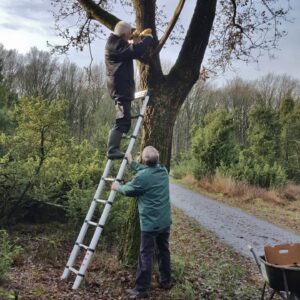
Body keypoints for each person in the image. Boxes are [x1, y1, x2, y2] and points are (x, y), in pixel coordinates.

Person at [111, 146, 172, 297]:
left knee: (146, 255)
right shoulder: (163, 172)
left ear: (144, 160)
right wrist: (131, 163)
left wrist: (117, 186)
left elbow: (128, 190)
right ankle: (166, 281)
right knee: (164, 252)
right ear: (156, 160)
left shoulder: (142, 177)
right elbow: (144, 172)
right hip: (164, 222)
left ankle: (141, 289)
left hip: (150, 225)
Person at [105, 21, 153, 159]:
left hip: (121, 86)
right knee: (123, 121)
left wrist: (139, 40)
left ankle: (113, 149)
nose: (130, 37)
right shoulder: (115, 44)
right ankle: (112, 150)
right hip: (120, 87)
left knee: (124, 120)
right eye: (129, 35)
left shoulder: (117, 42)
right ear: (124, 34)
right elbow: (135, 50)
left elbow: (135, 51)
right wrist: (148, 38)